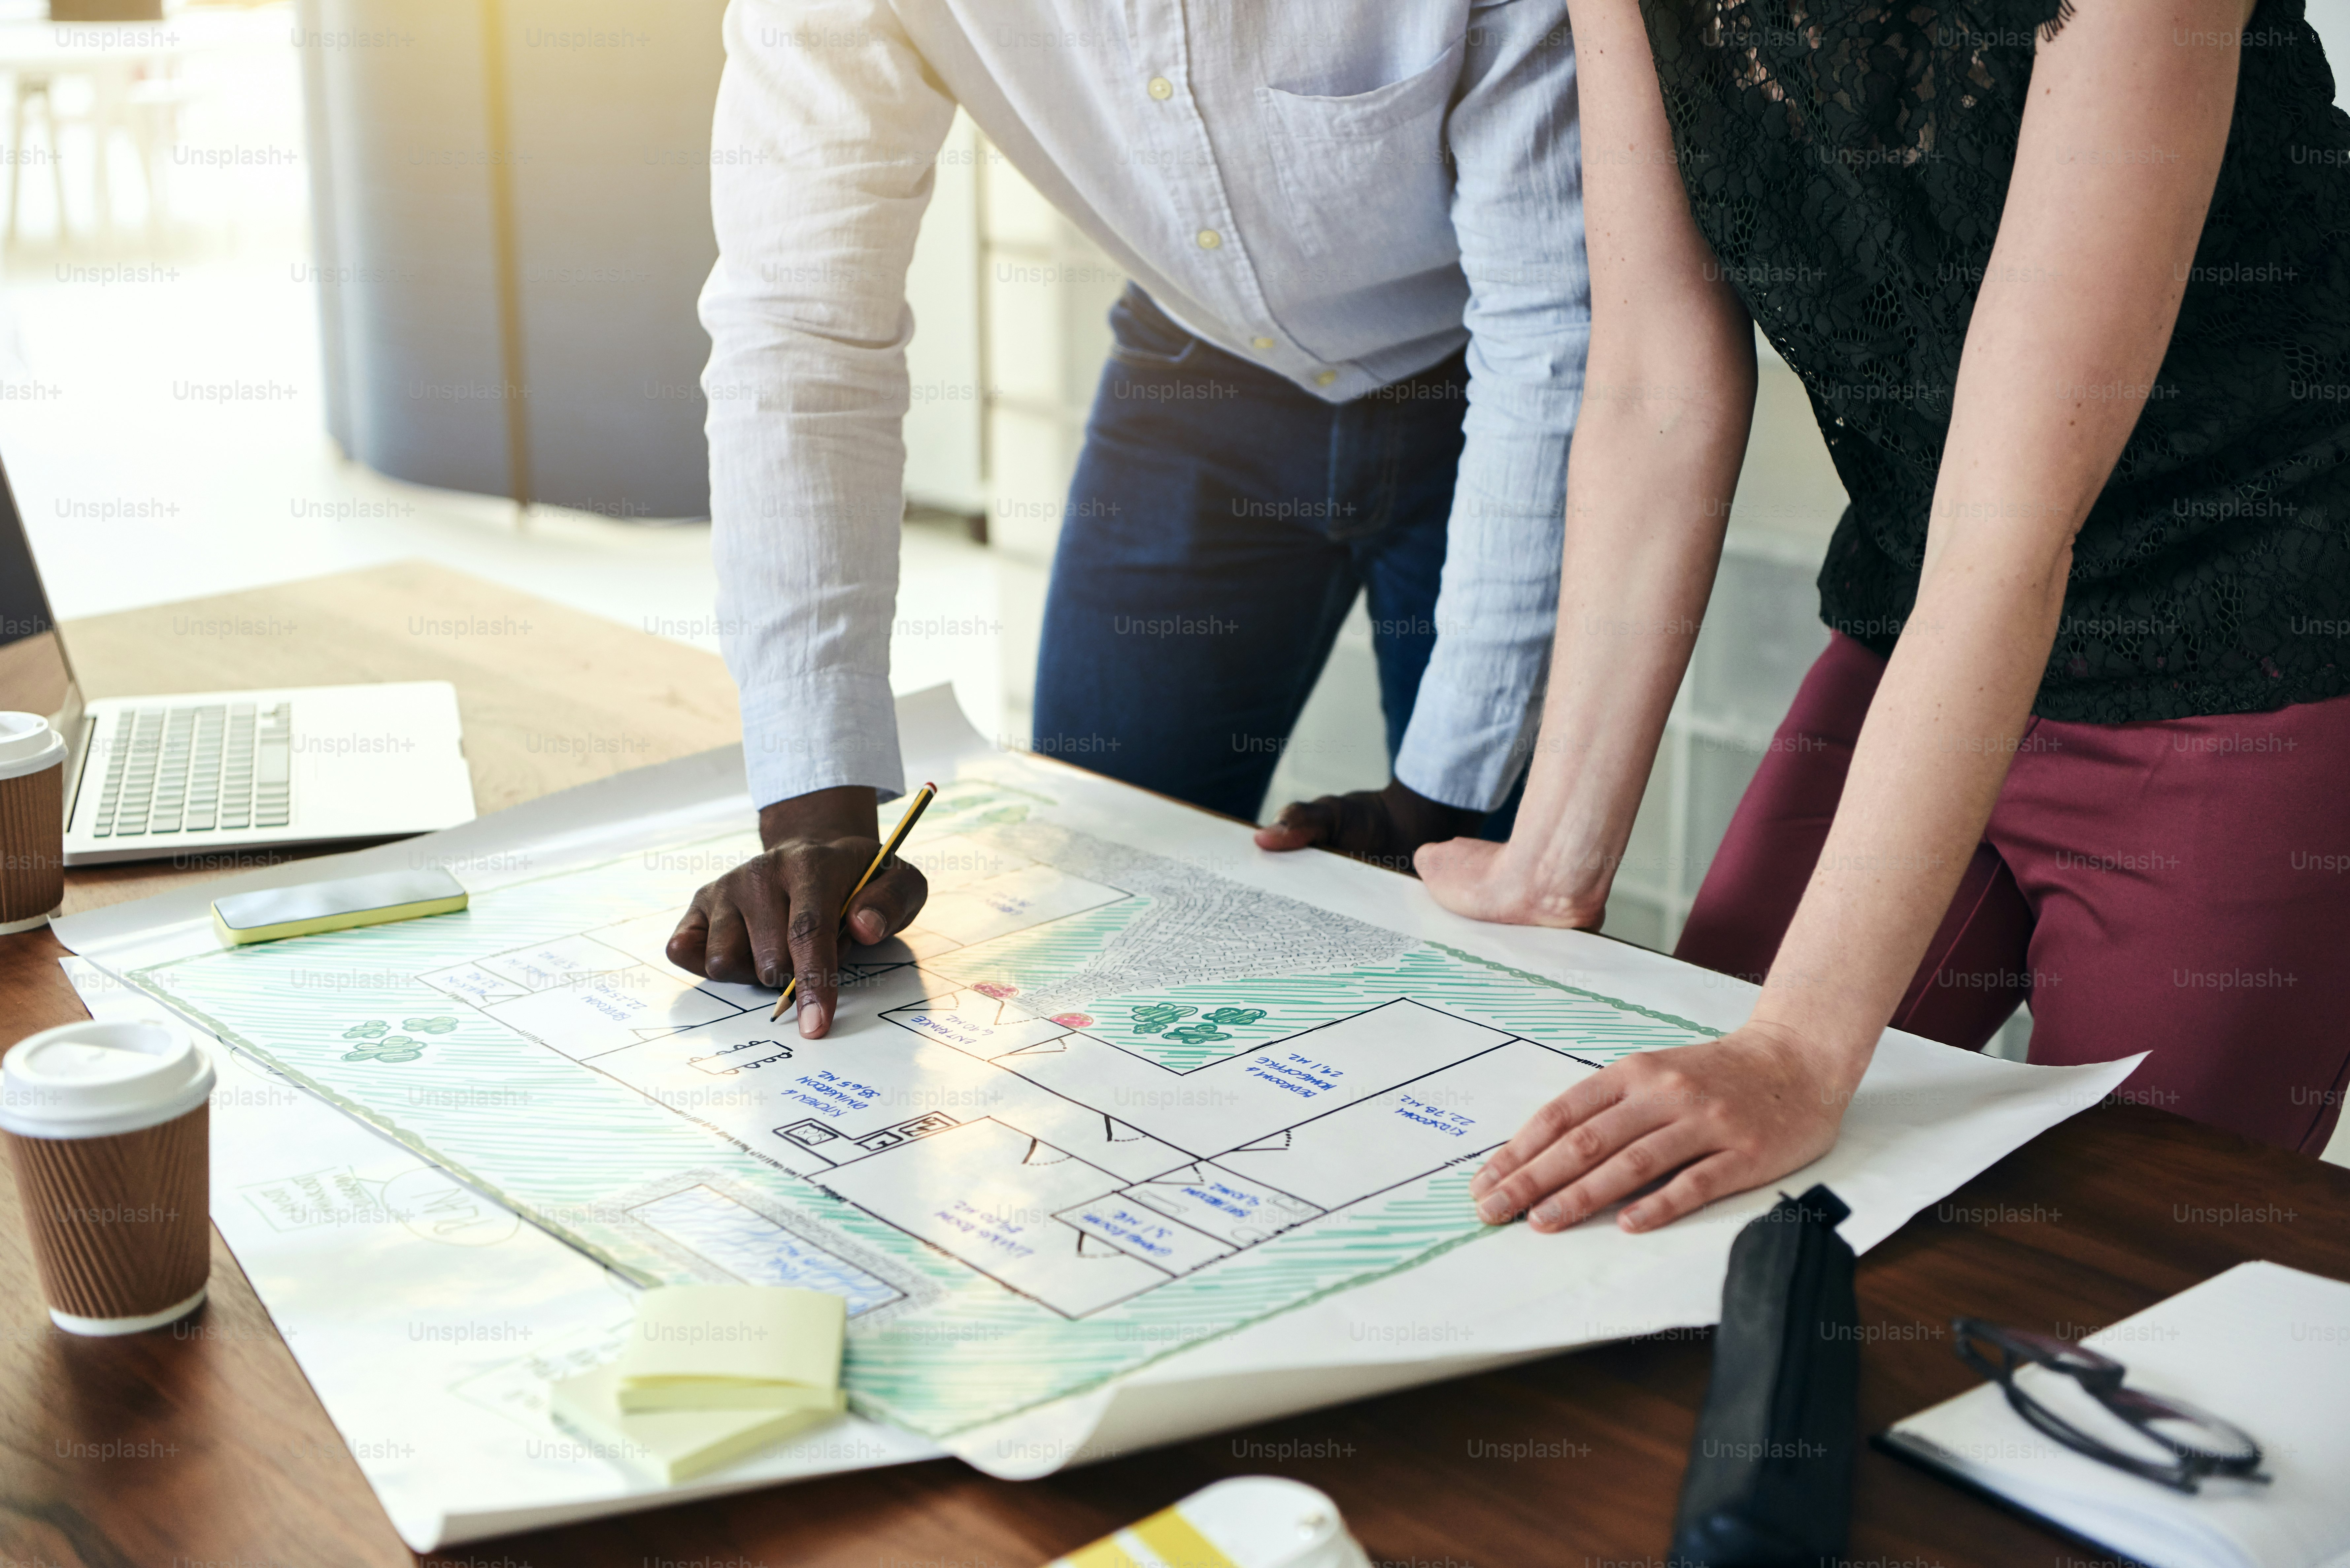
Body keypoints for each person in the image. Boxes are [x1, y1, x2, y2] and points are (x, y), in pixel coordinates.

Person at [1427, 0, 2350, 1236]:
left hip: (2258, 623)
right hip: (1922, 609)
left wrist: (1800, 1053)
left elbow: (2012, 523)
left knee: (2104, 1260)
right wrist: (1555, 860)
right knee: (1686, 1199)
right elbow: (1653, 381)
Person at [667, 2, 1591, 1036]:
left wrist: (1444, 799)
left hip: (1511, 378)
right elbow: (801, 328)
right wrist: (818, 815)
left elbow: (1554, 323)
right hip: (1197, 369)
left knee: (1493, 933)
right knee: (1102, 919)